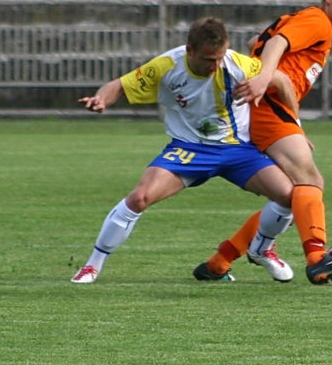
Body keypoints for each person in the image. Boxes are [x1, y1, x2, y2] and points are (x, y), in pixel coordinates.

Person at [70, 17, 299, 284]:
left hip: (238, 150)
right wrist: (101, 99)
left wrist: (295, 130)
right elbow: (119, 86)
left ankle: (261, 248)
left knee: (291, 196)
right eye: (208, 59)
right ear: (190, 50)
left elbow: (282, 82)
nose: (216, 66)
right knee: (139, 198)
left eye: (220, 58)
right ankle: (92, 265)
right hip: (189, 149)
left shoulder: (237, 64)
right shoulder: (168, 66)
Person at [193, 0, 332, 285]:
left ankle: (219, 262)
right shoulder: (317, 20)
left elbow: (256, 42)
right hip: (269, 108)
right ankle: (317, 257)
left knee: (289, 197)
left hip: (270, 109)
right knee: (310, 179)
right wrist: (265, 76)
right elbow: (277, 42)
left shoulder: (304, 20)